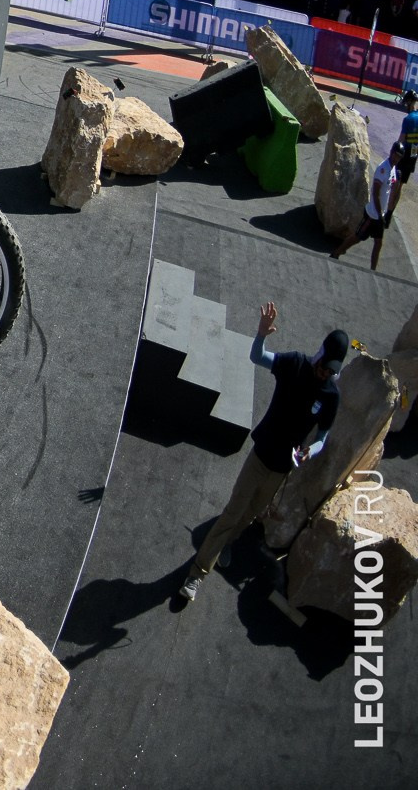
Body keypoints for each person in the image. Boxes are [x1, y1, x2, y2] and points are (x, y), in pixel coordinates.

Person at [176, 308, 345, 606]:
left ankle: (224, 544)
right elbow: (259, 357)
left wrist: (312, 450)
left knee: (250, 514)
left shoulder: (330, 395)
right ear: (320, 355)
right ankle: (197, 574)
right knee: (232, 512)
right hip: (260, 456)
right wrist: (261, 335)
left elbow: (322, 436)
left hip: (281, 469)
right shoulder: (294, 364)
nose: (325, 374)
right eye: (324, 368)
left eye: (331, 372)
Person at [332, 142, 410, 271]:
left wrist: (387, 212)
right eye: (396, 155)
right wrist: (379, 214)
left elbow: (391, 188)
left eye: (399, 157)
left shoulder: (393, 169)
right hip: (372, 214)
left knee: (378, 243)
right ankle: (337, 252)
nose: (397, 159)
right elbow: (375, 193)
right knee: (357, 237)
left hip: (380, 215)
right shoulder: (383, 169)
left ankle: (373, 270)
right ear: (391, 153)